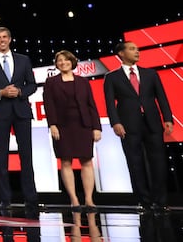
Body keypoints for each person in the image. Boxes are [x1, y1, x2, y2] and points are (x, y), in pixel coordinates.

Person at [103, 41, 174, 212]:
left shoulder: (151, 74)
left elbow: (161, 98)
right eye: (132, 49)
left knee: (158, 162)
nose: (137, 51)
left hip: (152, 123)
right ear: (121, 53)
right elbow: (110, 104)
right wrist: (115, 122)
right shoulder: (112, 77)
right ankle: (144, 201)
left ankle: (160, 201)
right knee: (135, 162)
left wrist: (168, 118)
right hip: (128, 125)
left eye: (137, 49)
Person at [0, 26, 39, 215]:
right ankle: (5, 200)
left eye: (5, 37)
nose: (2, 40)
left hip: (21, 111)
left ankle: (31, 198)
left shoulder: (23, 59)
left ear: (10, 39)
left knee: (26, 156)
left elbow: (32, 85)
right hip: (0, 112)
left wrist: (20, 91)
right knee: (1, 157)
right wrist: (0, 93)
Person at [43, 50, 102, 211]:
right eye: (59, 60)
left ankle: (89, 199)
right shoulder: (51, 82)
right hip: (62, 126)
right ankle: (74, 199)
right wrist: (52, 124)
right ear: (56, 64)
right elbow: (49, 104)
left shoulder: (83, 81)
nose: (63, 62)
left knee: (87, 161)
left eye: (66, 60)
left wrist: (96, 127)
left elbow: (92, 105)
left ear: (72, 62)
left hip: (83, 125)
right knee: (66, 161)